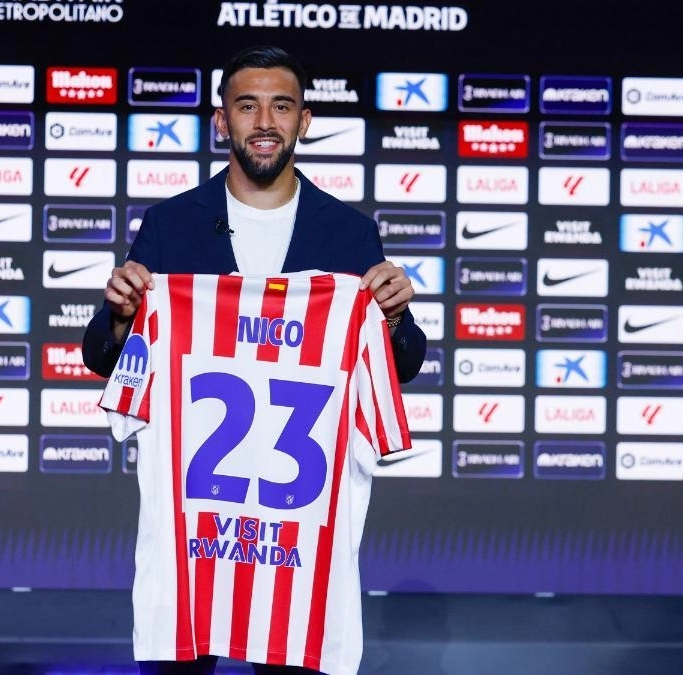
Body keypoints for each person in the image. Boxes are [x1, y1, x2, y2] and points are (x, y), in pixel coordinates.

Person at [82, 45, 427, 675]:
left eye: (281, 105)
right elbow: (104, 356)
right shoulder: (170, 225)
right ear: (222, 121)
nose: (264, 120)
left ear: (305, 119)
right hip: (197, 537)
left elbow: (399, 364)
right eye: (247, 105)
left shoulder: (349, 233)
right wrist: (125, 317)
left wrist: (396, 318)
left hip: (295, 541)